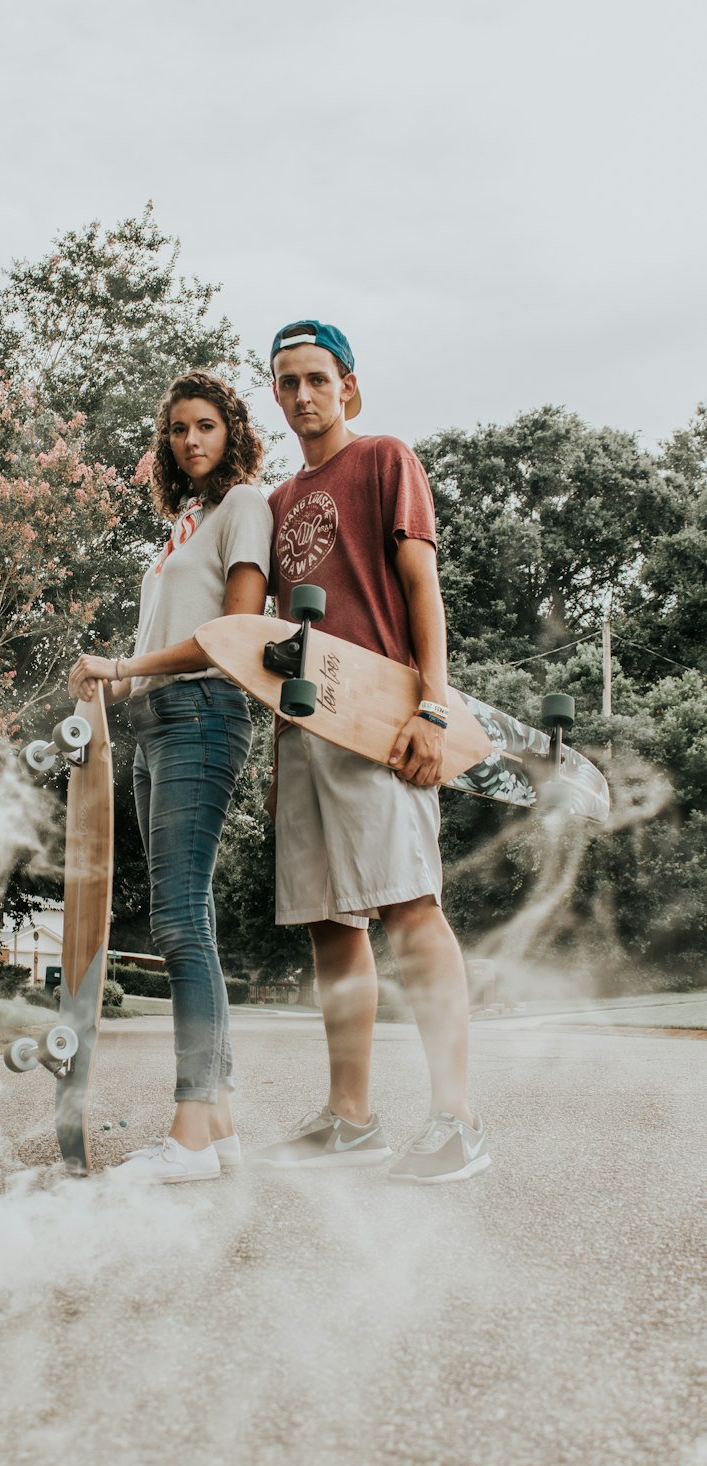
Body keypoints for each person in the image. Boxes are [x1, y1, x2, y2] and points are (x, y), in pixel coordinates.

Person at [251, 320, 490, 1183]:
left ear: (348, 386)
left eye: (318, 377)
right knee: (328, 924)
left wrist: (434, 706)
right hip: (309, 731)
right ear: (276, 396)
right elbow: (282, 642)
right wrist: (282, 761)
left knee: (408, 906)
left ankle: (457, 1120)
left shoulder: (387, 460)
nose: (304, 394)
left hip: (384, 719)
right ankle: (351, 1118)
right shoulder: (276, 504)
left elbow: (422, 588)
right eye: (288, 382)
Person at [69, 371, 271, 1184]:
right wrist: (119, 683)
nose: (191, 440)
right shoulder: (185, 524)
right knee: (192, 920)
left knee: (180, 924)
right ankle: (216, 1127)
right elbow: (172, 625)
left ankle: (187, 1133)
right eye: (179, 429)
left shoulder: (244, 506)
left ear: (233, 433)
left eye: (207, 426)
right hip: (155, 719)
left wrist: (124, 663)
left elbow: (237, 631)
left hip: (201, 713)